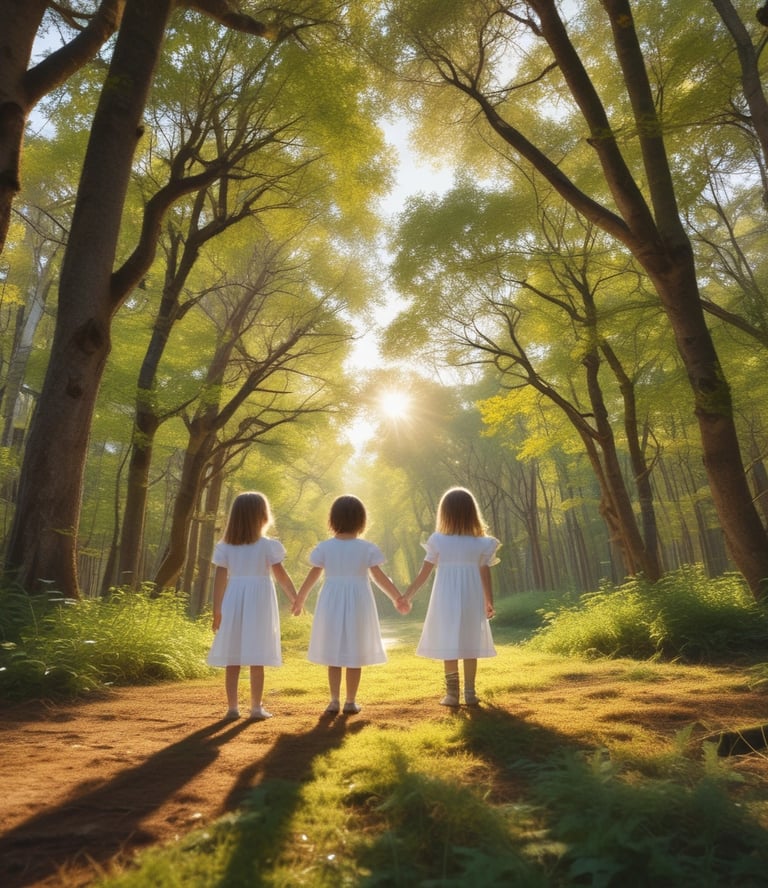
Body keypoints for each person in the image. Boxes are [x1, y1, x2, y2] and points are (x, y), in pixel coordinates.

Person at [292, 494, 410, 715]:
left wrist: (300, 598)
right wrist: (397, 597)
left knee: (333, 652)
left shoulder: (325, 547)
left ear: (333, 520)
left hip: (332, 600)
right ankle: (350, 701)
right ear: (361, 520)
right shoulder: (367, 548)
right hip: (358, 600)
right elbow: (379, 577)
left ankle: (334, 700)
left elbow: (313, 576)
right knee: (355, 651)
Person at [404, 487, 499, 707]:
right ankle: (470, 693)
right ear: (471, 512)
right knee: (470, 642)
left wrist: (407, 595)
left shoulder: (438, 540)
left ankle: (452, 694)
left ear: (444, 513)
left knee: (450, 642)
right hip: (472, 597)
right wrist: (488, 600)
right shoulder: (482, 543)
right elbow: (485, 572)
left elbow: (424, 573)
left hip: (445, 597)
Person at [207, 491, 297, 720]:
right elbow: (282, 577)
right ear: (262, 516)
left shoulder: (226, 547)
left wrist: (217, 609)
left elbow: (219, 579)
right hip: (260, 601)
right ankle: (256, 708)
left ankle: (233, 708)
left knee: (232, 656)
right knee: (257, 655)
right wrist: (295, 598)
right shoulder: (268, 546)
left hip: (234, 598)